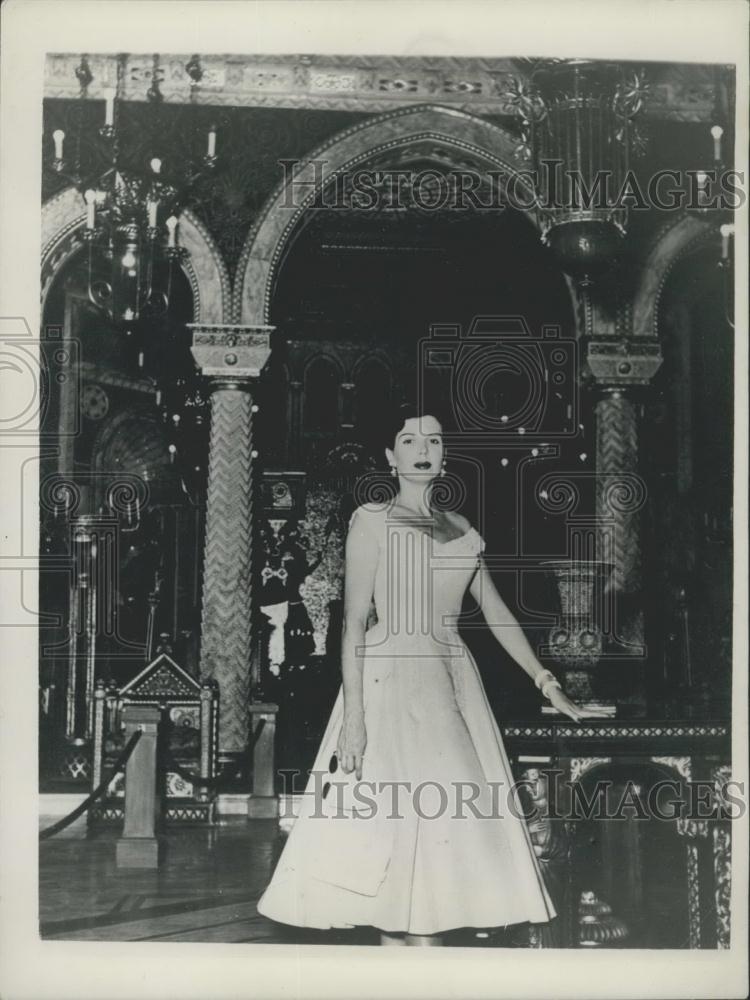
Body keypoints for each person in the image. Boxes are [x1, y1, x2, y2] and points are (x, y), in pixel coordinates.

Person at [256, 403, 608, 945]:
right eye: (410, 441)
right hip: (388, 684)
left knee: (443, 858)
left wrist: (547, 681)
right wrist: (354, 722)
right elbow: (352, 625)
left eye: (435, 442)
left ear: (445, 458)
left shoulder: (462, 527)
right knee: (393, 858)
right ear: (390, 456)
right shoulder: (371, 520)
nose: (424, 451)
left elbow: (495, 612)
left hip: (450, 683)